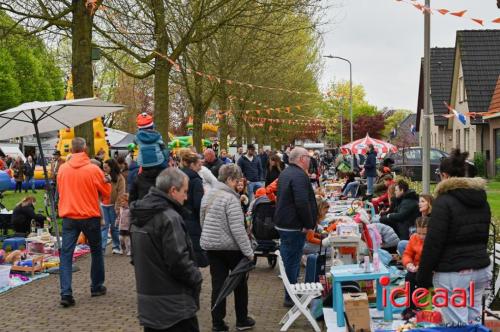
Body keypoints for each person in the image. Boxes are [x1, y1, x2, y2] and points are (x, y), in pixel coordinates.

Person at [417, 149, 491, 325]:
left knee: (456, 324)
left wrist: (423, 277)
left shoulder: (444, 202)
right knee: (473, 323)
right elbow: (483, 235)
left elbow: (434, 242)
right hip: (480, 268)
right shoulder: (481, 199)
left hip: (454, 273)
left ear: (444, 175)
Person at [130, 168, 202, 332]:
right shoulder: (169, 218)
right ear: (173, 191)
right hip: (175, 308)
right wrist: (196, 277)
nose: (186, 196)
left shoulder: (138, 217)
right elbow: (178, 261)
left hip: (149, 305)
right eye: (184, 191)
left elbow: (135, 258)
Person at [200, 164, 255, 332]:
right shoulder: (231, 199)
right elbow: (238, 230)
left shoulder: (208, 195)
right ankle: (242, 319)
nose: (238, 184)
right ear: (230, 179)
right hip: (231, 248)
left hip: (212, 247)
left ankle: (217, 323)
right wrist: (249, 252)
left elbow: (202, 220)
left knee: (218, 285)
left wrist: (209, 236)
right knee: (239, 284)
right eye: (237, 180)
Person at [57, 137, 111, 307]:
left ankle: (66, 293)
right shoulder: (93, 169)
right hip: (89, 216)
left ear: (71, 150)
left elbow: (60, 190)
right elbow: (106, 193)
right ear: (85, 148)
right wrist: (106, 183)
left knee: (66, 255)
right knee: (96, 251)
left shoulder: (63, 169)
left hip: (69, 217)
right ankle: (96, 286)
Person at [275, 147, 317, 307]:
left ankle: (290, 291)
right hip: (293, 225)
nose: (309, 159)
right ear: (301, 159)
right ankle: (290, 295)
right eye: (308, 156)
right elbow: (301, 202)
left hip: (285, 223)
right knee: (292, 261)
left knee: (289, 260)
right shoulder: (299, 175)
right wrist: (308, 224)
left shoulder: (286, 173)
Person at [179, 149, 207, 267]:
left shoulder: (177, 177)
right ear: (192, 165)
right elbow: (198, 204)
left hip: (179, 219)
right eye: (198, 165)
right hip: (192, 222)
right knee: (193, 256)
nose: (200, 168)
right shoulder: (195, 181)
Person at [401, 216, 428, 318]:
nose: (421, 236)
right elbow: (407, 254)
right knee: (409, 277)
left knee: (421, 279)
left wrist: (422, 267)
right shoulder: (414, 237)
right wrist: (409, 264)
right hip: (416, 268)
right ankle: (410, 307)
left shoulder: (434, 240)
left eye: (424, 233)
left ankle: (419, 304)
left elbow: (433, 257)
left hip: (430, 270)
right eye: (419, 233)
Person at [101, 158, 126, 254]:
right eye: (103, 167)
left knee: (114, 227)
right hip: (103, 205)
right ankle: (102, 248)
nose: (104, 169)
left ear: (111, 167)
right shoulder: (103, 176)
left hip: (113, 205)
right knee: (104, 227)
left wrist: (118, 207)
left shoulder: (120, 178)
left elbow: (121, 193)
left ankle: (116, 246)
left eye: (106, 167)